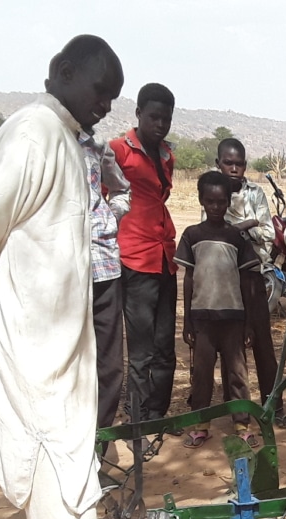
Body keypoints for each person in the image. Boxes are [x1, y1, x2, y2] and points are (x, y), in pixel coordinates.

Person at [0, 35, 142, 519]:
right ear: (63, 72)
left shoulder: (65, 136)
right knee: (56, 449)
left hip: (63, 322)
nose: (105, 107)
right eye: (100, 92)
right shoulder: (33, 129)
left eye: (113, 99)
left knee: (69, 445)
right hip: (33, 325)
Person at [176, 171, 260, 449]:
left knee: (237, 373)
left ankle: (242, 424)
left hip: (233, 317)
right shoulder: (192, 235)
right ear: (201, 200)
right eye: (210, 201)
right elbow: (188, 280)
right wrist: (187, 320)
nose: (215, 207)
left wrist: (248, 323)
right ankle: (201, 425)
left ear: (228, 203)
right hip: (202, 318)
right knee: (201, 373)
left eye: (221, 202)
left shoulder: (236, 238)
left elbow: (247, 282)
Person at [111, 82, 177, 423]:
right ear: (138, 114)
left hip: (166, 257)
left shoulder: (167, 155)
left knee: (166, 345)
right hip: (135, 260)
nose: (160, 124)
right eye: (153, 117)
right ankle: (136, 418)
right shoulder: (118, 151)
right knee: (141, 350)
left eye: (166, 118)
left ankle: (158, 414)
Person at [214, 137, 286, 427]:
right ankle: (236, 410)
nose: (234, 168)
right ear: (218, 163)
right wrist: (247, 225)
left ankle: (274, 406)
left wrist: (236, 229)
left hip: (253, 275)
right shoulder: (213, 192)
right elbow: (211, 234)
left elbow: (268, 233)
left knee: (263, 345)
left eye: (240, 164)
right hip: (224, 279)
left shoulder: (255, 192)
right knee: (230, 346)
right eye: (229, 163)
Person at [80, 130, 129, 432]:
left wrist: (111, 215)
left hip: (104, 267)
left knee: (109, 367)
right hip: (59, 274)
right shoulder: (38, 140)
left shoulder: (96, 146)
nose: (104, 106)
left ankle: (98, 443)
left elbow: (122, 189)